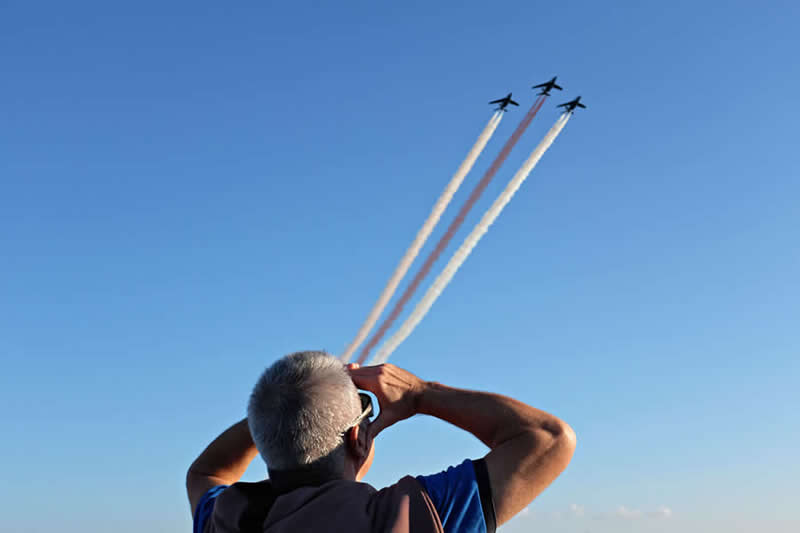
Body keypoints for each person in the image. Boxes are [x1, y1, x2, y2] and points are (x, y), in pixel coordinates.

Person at [187, 351, 576, 532]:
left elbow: (207, 471)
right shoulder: (409, 517)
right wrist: (420, 393)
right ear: (358, 438)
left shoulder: (229, 519)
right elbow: (548, 440)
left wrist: (284, 407)